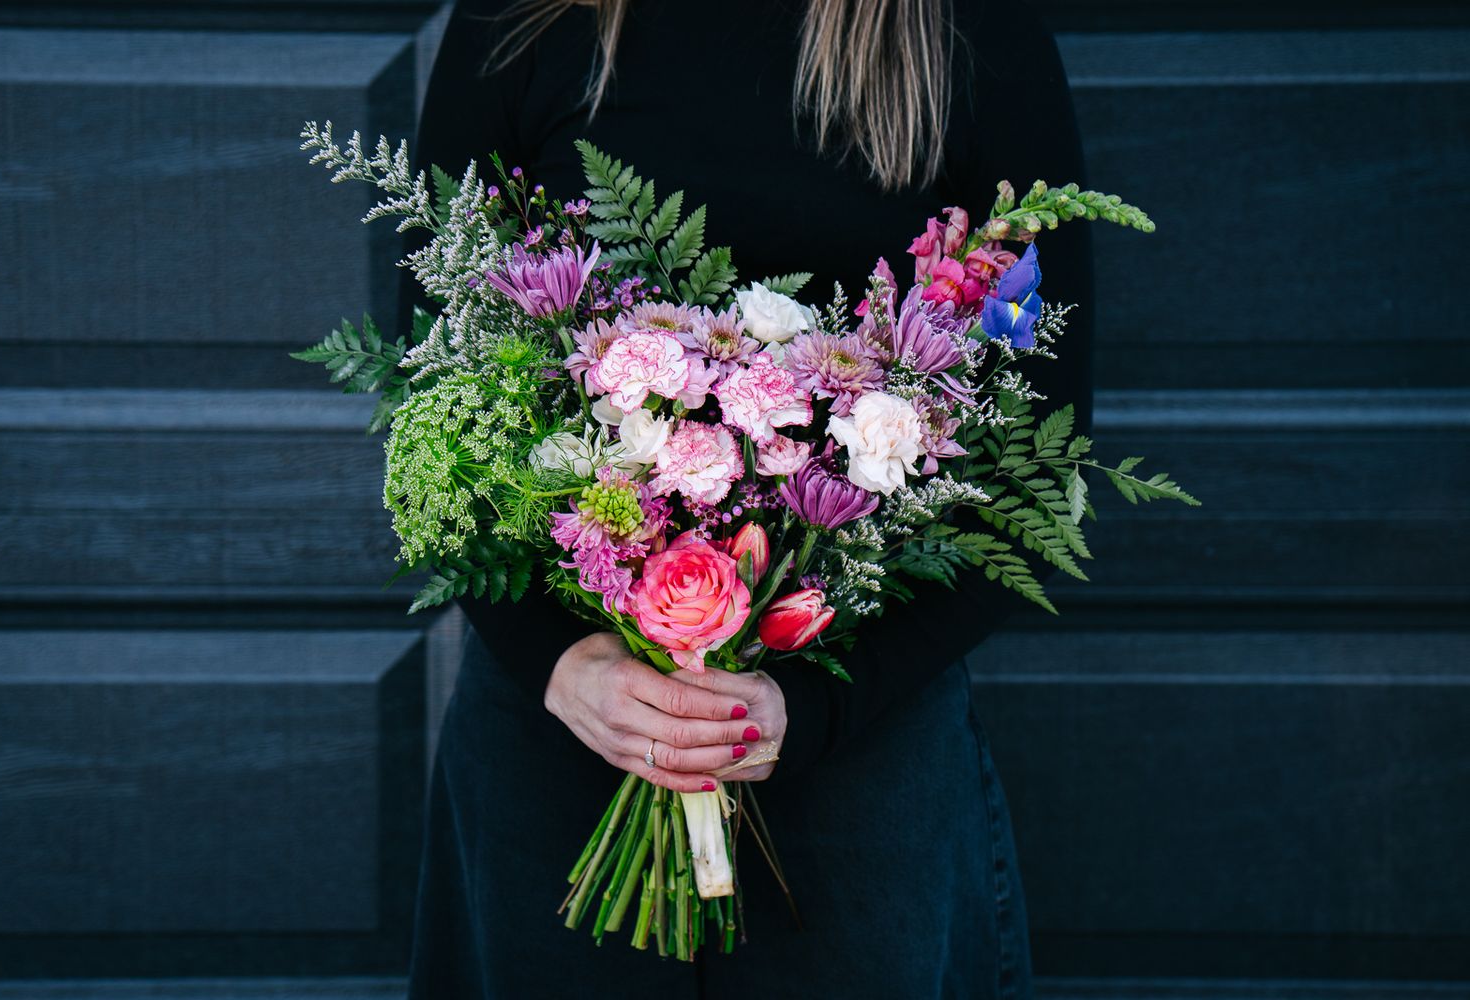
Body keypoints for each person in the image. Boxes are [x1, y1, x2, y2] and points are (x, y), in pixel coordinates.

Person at [403, 0, 1094, 995]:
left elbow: (1038, 450)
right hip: (563, 740)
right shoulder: (525, 20)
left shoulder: (964, 32)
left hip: (859, 757)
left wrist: (807, 711)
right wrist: (563, 666)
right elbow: (437, 400)